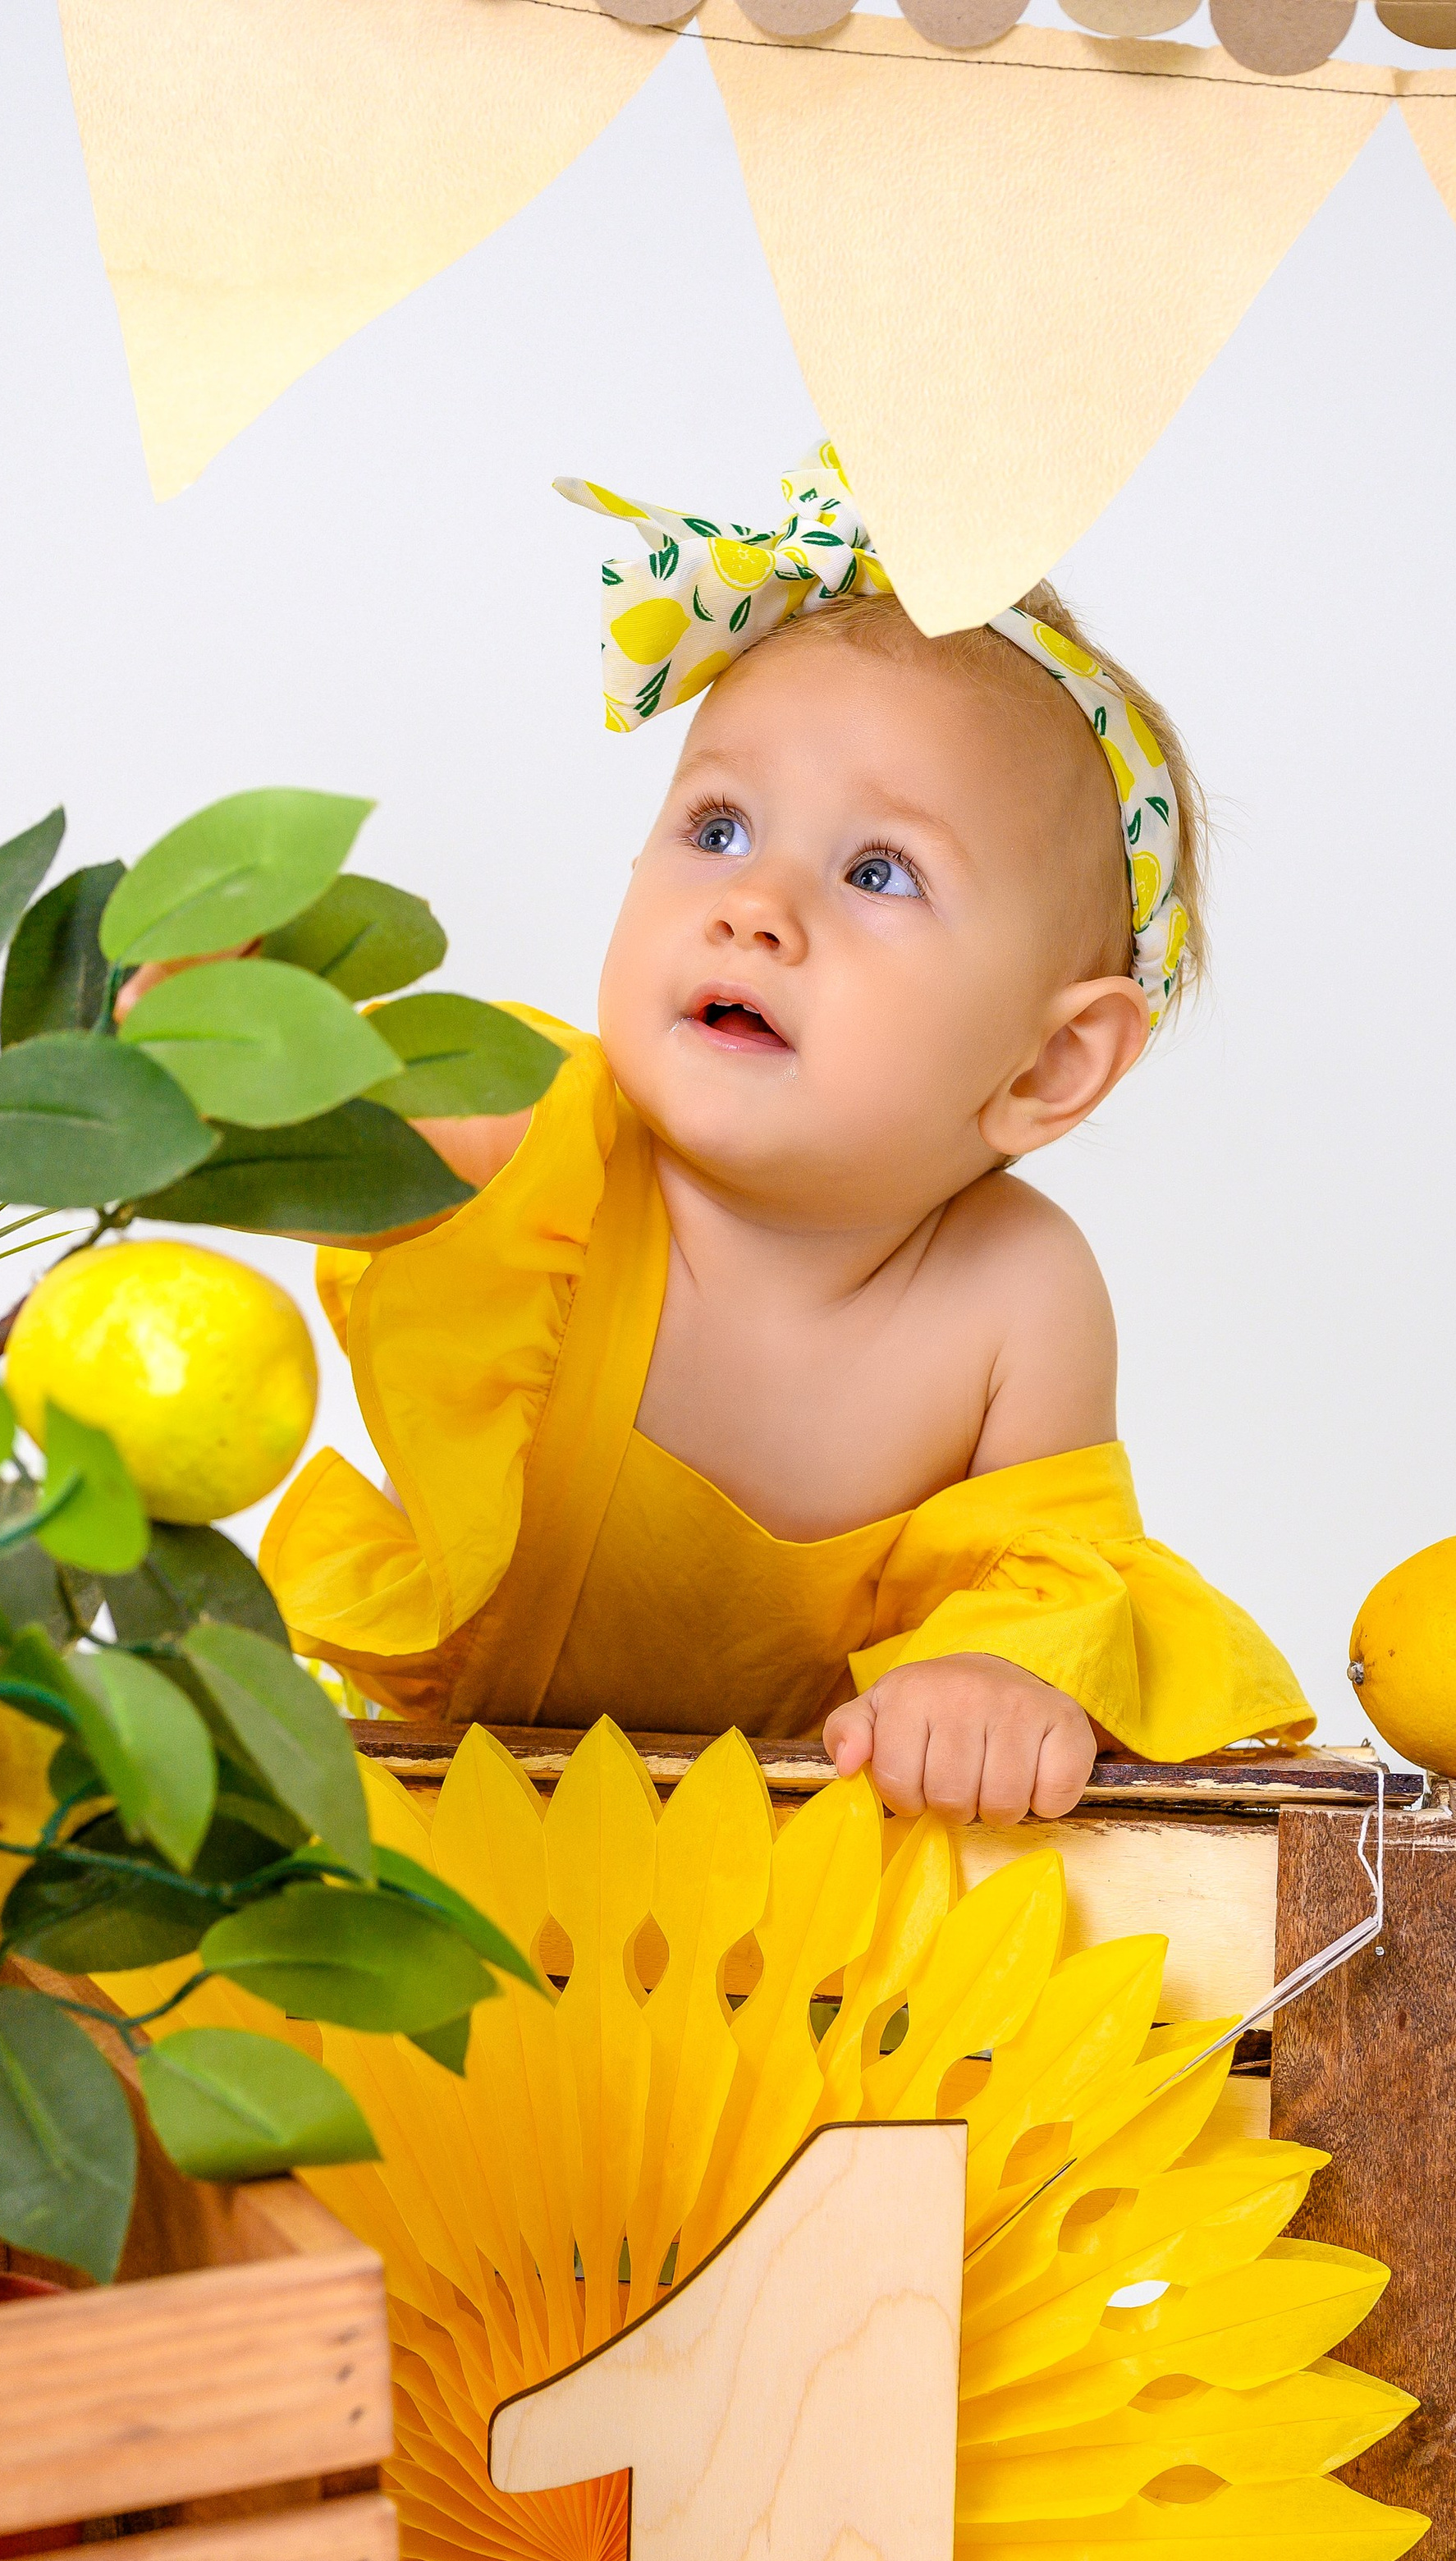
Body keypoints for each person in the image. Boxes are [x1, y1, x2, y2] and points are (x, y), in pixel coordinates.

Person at [254, 446, 1312, 1826]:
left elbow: (1051, 1579)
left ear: (1051, 1063)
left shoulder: (1015, 1296)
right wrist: (236, 1050)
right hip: (432, 1803)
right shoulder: (543, 1122)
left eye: (879, 871)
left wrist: (996, 1679)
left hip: (806, 1868)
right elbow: (344, 1140)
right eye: (719, 826)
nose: (754, 905)